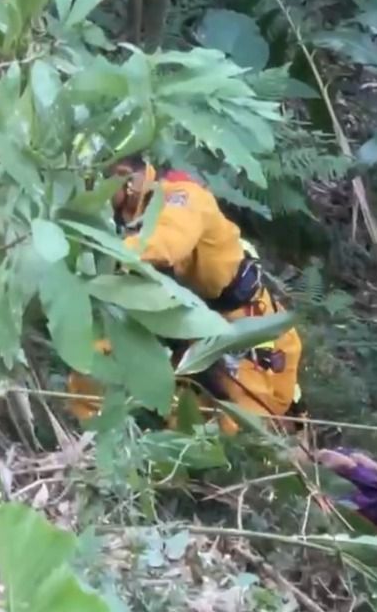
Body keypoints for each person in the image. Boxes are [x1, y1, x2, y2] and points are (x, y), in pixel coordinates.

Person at [68, 155, 303, 435]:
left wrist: (109, 255)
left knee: (238, 434)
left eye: (99, 188)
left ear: (124, 177)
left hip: (245, 339)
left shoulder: (183, 197)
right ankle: (87, 438)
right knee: (90, 361)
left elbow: (168, 243)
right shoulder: (132, 221)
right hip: (188, 335)